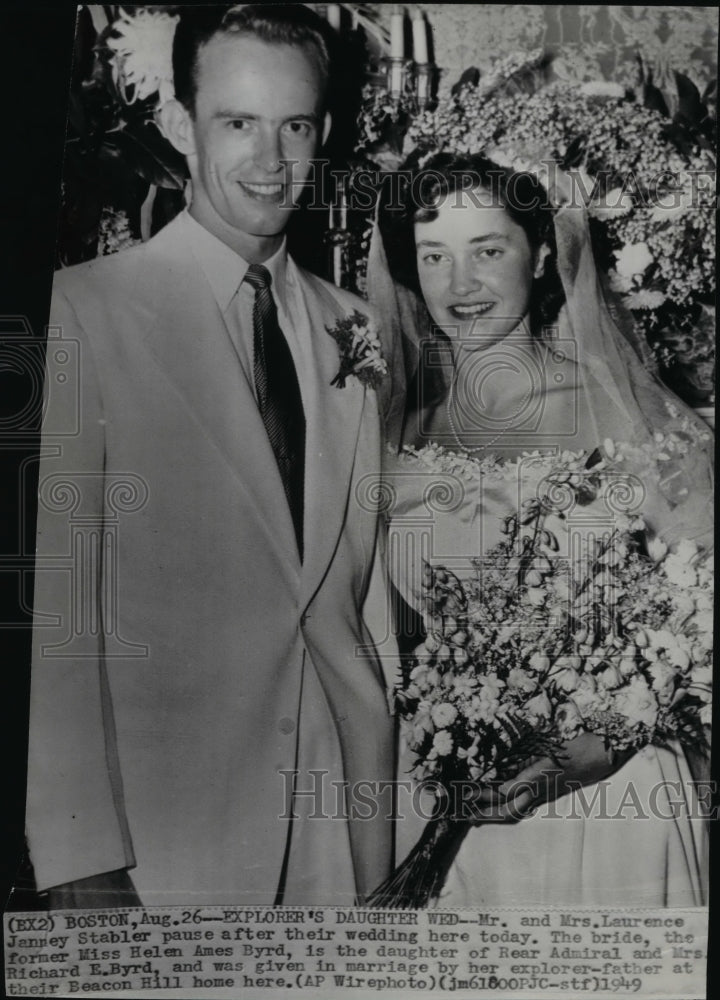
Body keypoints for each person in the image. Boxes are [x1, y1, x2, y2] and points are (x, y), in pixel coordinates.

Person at [26, 4, 396, 909]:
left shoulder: (359, 324)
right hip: (165, 844)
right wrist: (78, 856)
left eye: (294, 126)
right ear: (179, 125)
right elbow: (55, 611)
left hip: (340, 831)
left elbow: (364, 589)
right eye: (238, 122)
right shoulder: (80, 311)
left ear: (326, 133)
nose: (271, 162)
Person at [369, 152, 712, 906]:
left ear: (543, 256)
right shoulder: (386, 434)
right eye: (434, 256)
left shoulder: (624, 419)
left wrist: (606, 739)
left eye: (489, 251)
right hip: (442, 789)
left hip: (605, 800)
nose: (460, 286)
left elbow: (698, 611)